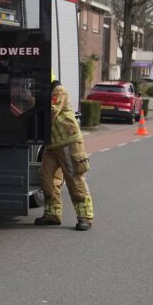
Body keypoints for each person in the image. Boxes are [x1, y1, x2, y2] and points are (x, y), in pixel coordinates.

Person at [35, 82, 94, 230]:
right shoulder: (43, 94)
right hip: (52, 145)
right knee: (47, 180)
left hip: (69, 142)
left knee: (74, 180)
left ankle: (85, 217)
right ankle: (52, 215)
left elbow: (51, 112)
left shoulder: (58, 91)